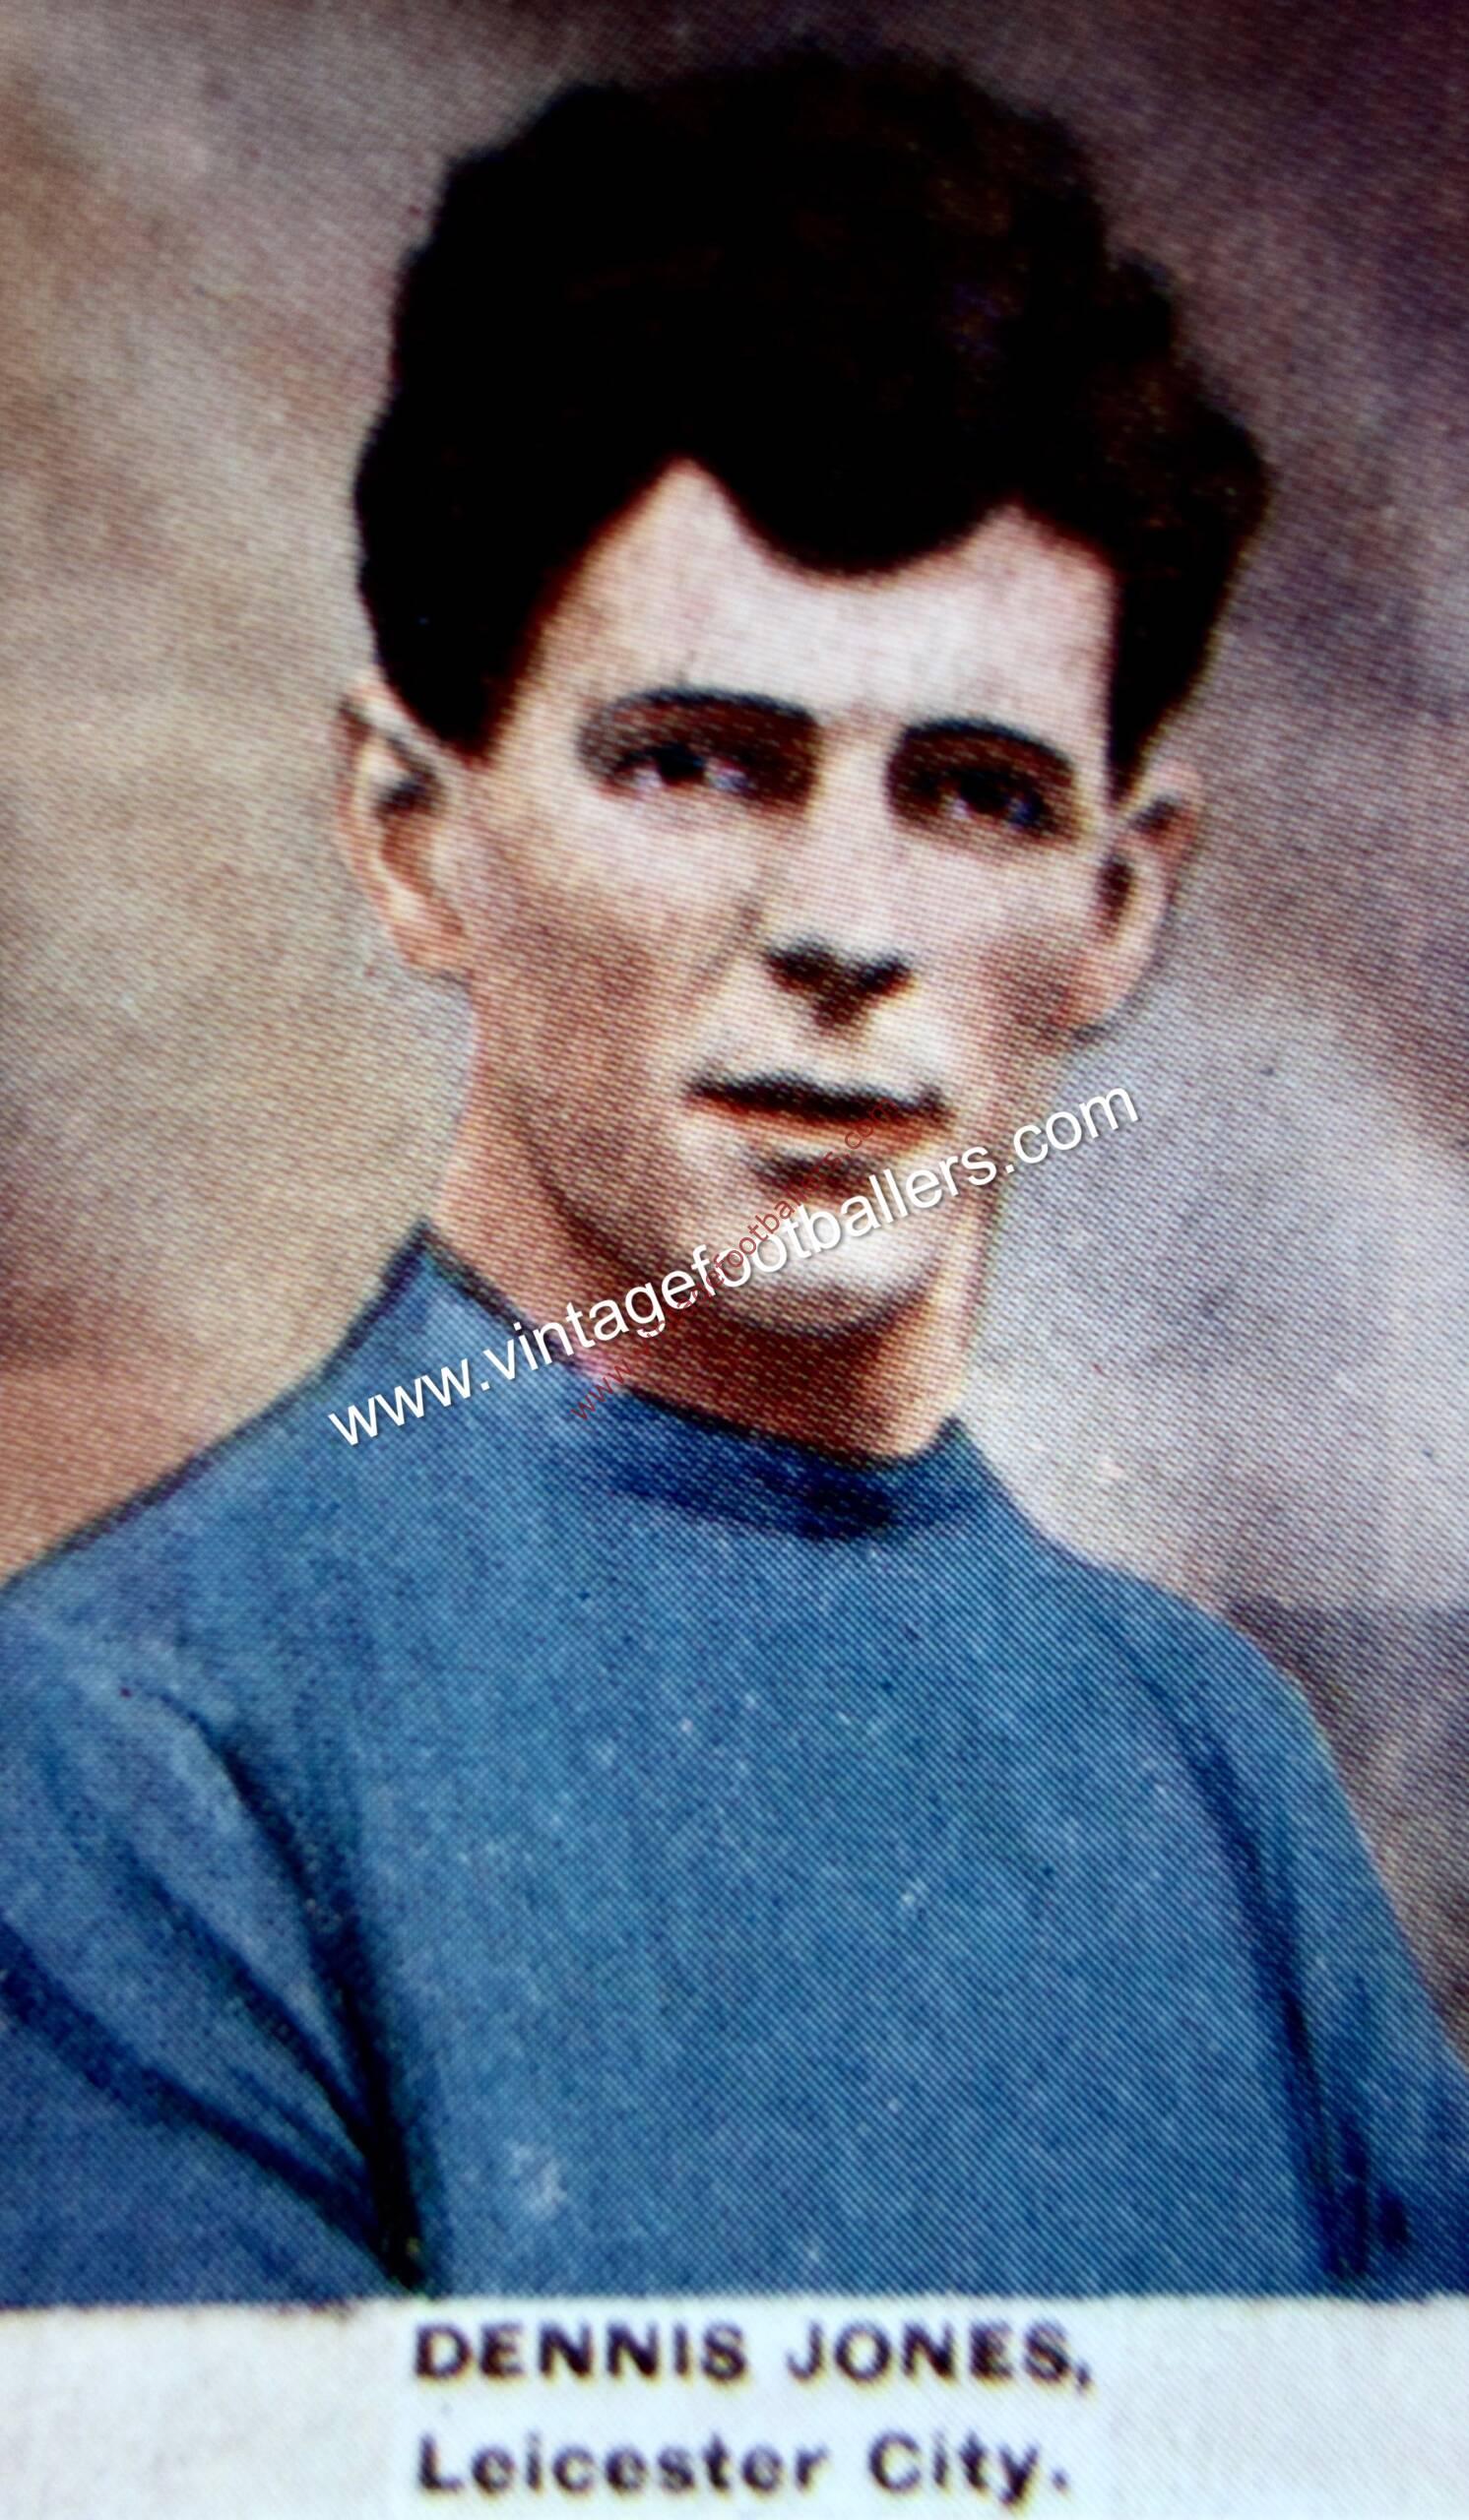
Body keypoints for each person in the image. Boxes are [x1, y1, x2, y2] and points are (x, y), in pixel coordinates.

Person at [1, 49, 1465, 2306]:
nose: (842, 929)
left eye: (973, 792)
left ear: (1119, 904)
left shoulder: (1212, 1770)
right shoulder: (129, 1744)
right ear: (413, 837)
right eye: (698, 762)